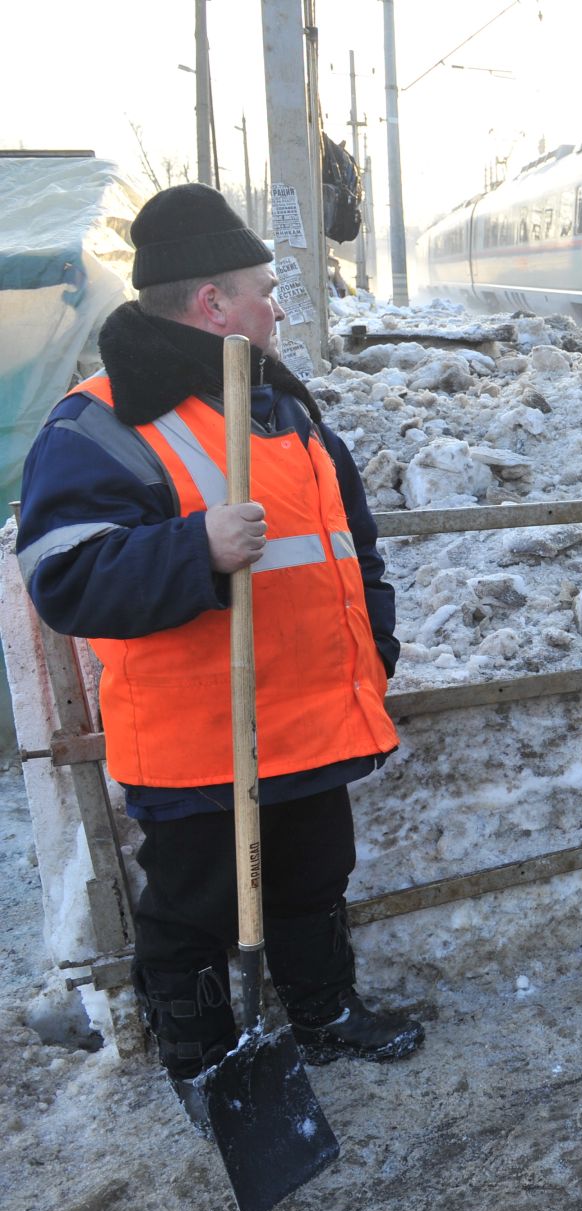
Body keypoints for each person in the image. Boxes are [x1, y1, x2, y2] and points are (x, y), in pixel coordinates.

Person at [13, 183, 423, 1126]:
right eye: (264, 287)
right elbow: (64, 578)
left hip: (311, 714)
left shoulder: (281, 404)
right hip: (204, 735)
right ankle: (205, 1067)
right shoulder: (102, 422)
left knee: (316, 876)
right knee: (194, 908)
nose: (277, 304)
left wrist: (377, 646)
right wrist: (193, 549)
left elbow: (349, 544)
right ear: (212, 302)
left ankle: (325, 1013)